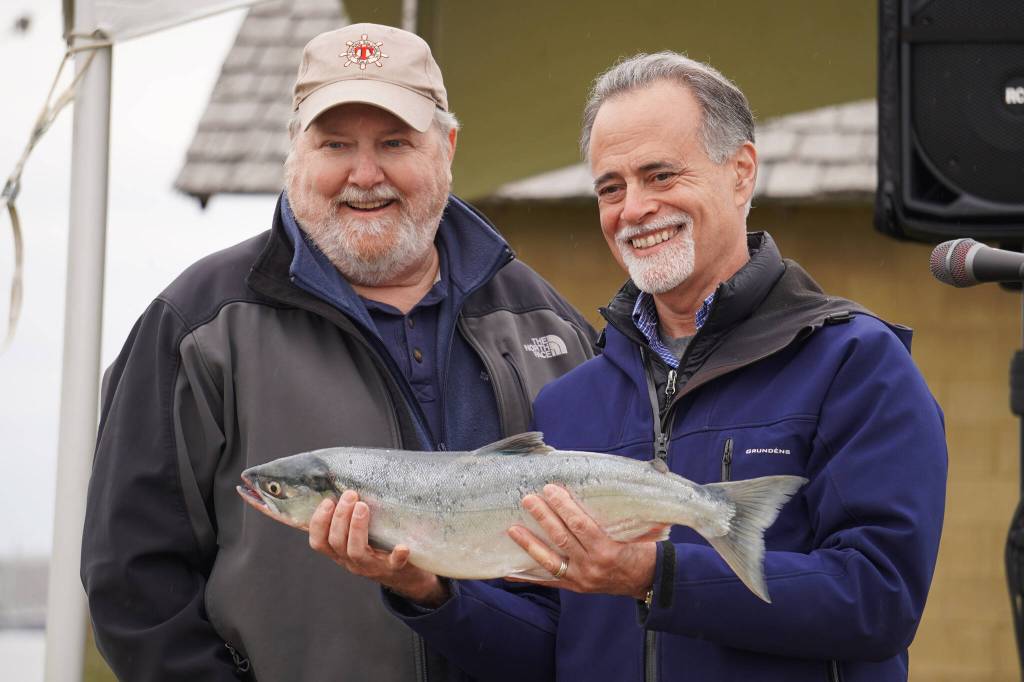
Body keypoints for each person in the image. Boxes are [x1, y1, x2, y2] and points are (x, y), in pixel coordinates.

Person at [310, 52, 948, 681]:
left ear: (741, 172)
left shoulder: (855, 362)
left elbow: (881, 600)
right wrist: (428, 590)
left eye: (661, 175)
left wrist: (654, 574)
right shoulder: (571, 398)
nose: (634, 209)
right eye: (610, 188)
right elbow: (555, 652)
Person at [80, 23, 596, 682]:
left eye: (394, 143)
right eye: (335, 144)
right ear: (294, 152)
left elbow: (596, 580)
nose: (365, 174)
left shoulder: (548, 322)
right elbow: (134, 586)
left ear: (448, 147)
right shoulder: (195, 327)